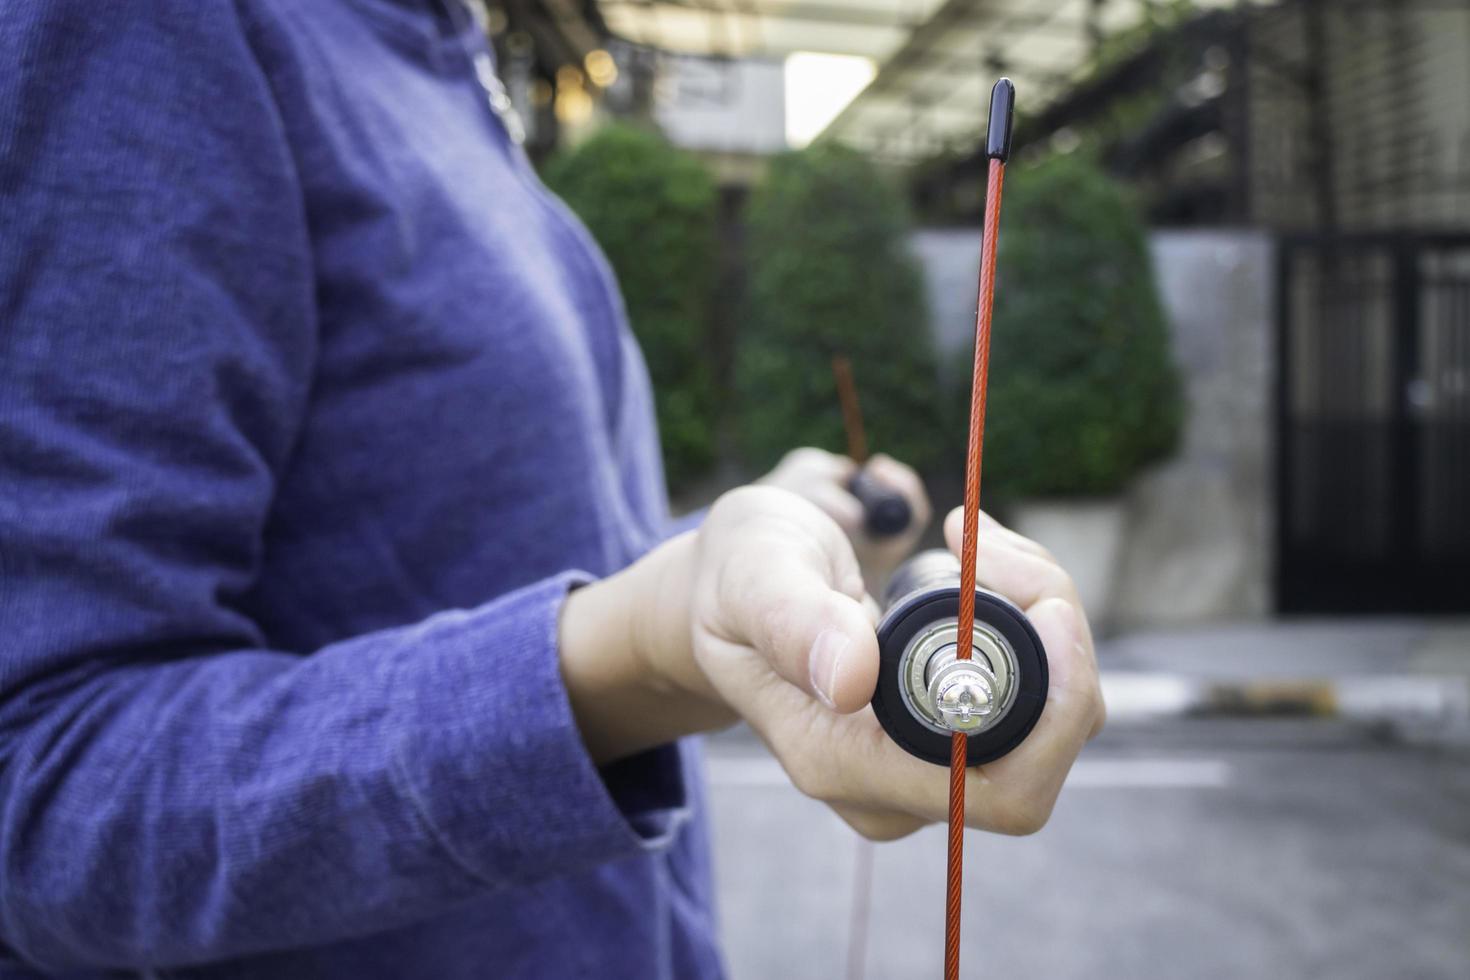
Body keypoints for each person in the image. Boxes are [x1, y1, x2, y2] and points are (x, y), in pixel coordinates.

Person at [0, 1, 1105, 977]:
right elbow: (41, 785)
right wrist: (650, 644)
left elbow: (489, 568)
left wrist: (755, 544)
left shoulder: (437, 48)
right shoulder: (141, 26)